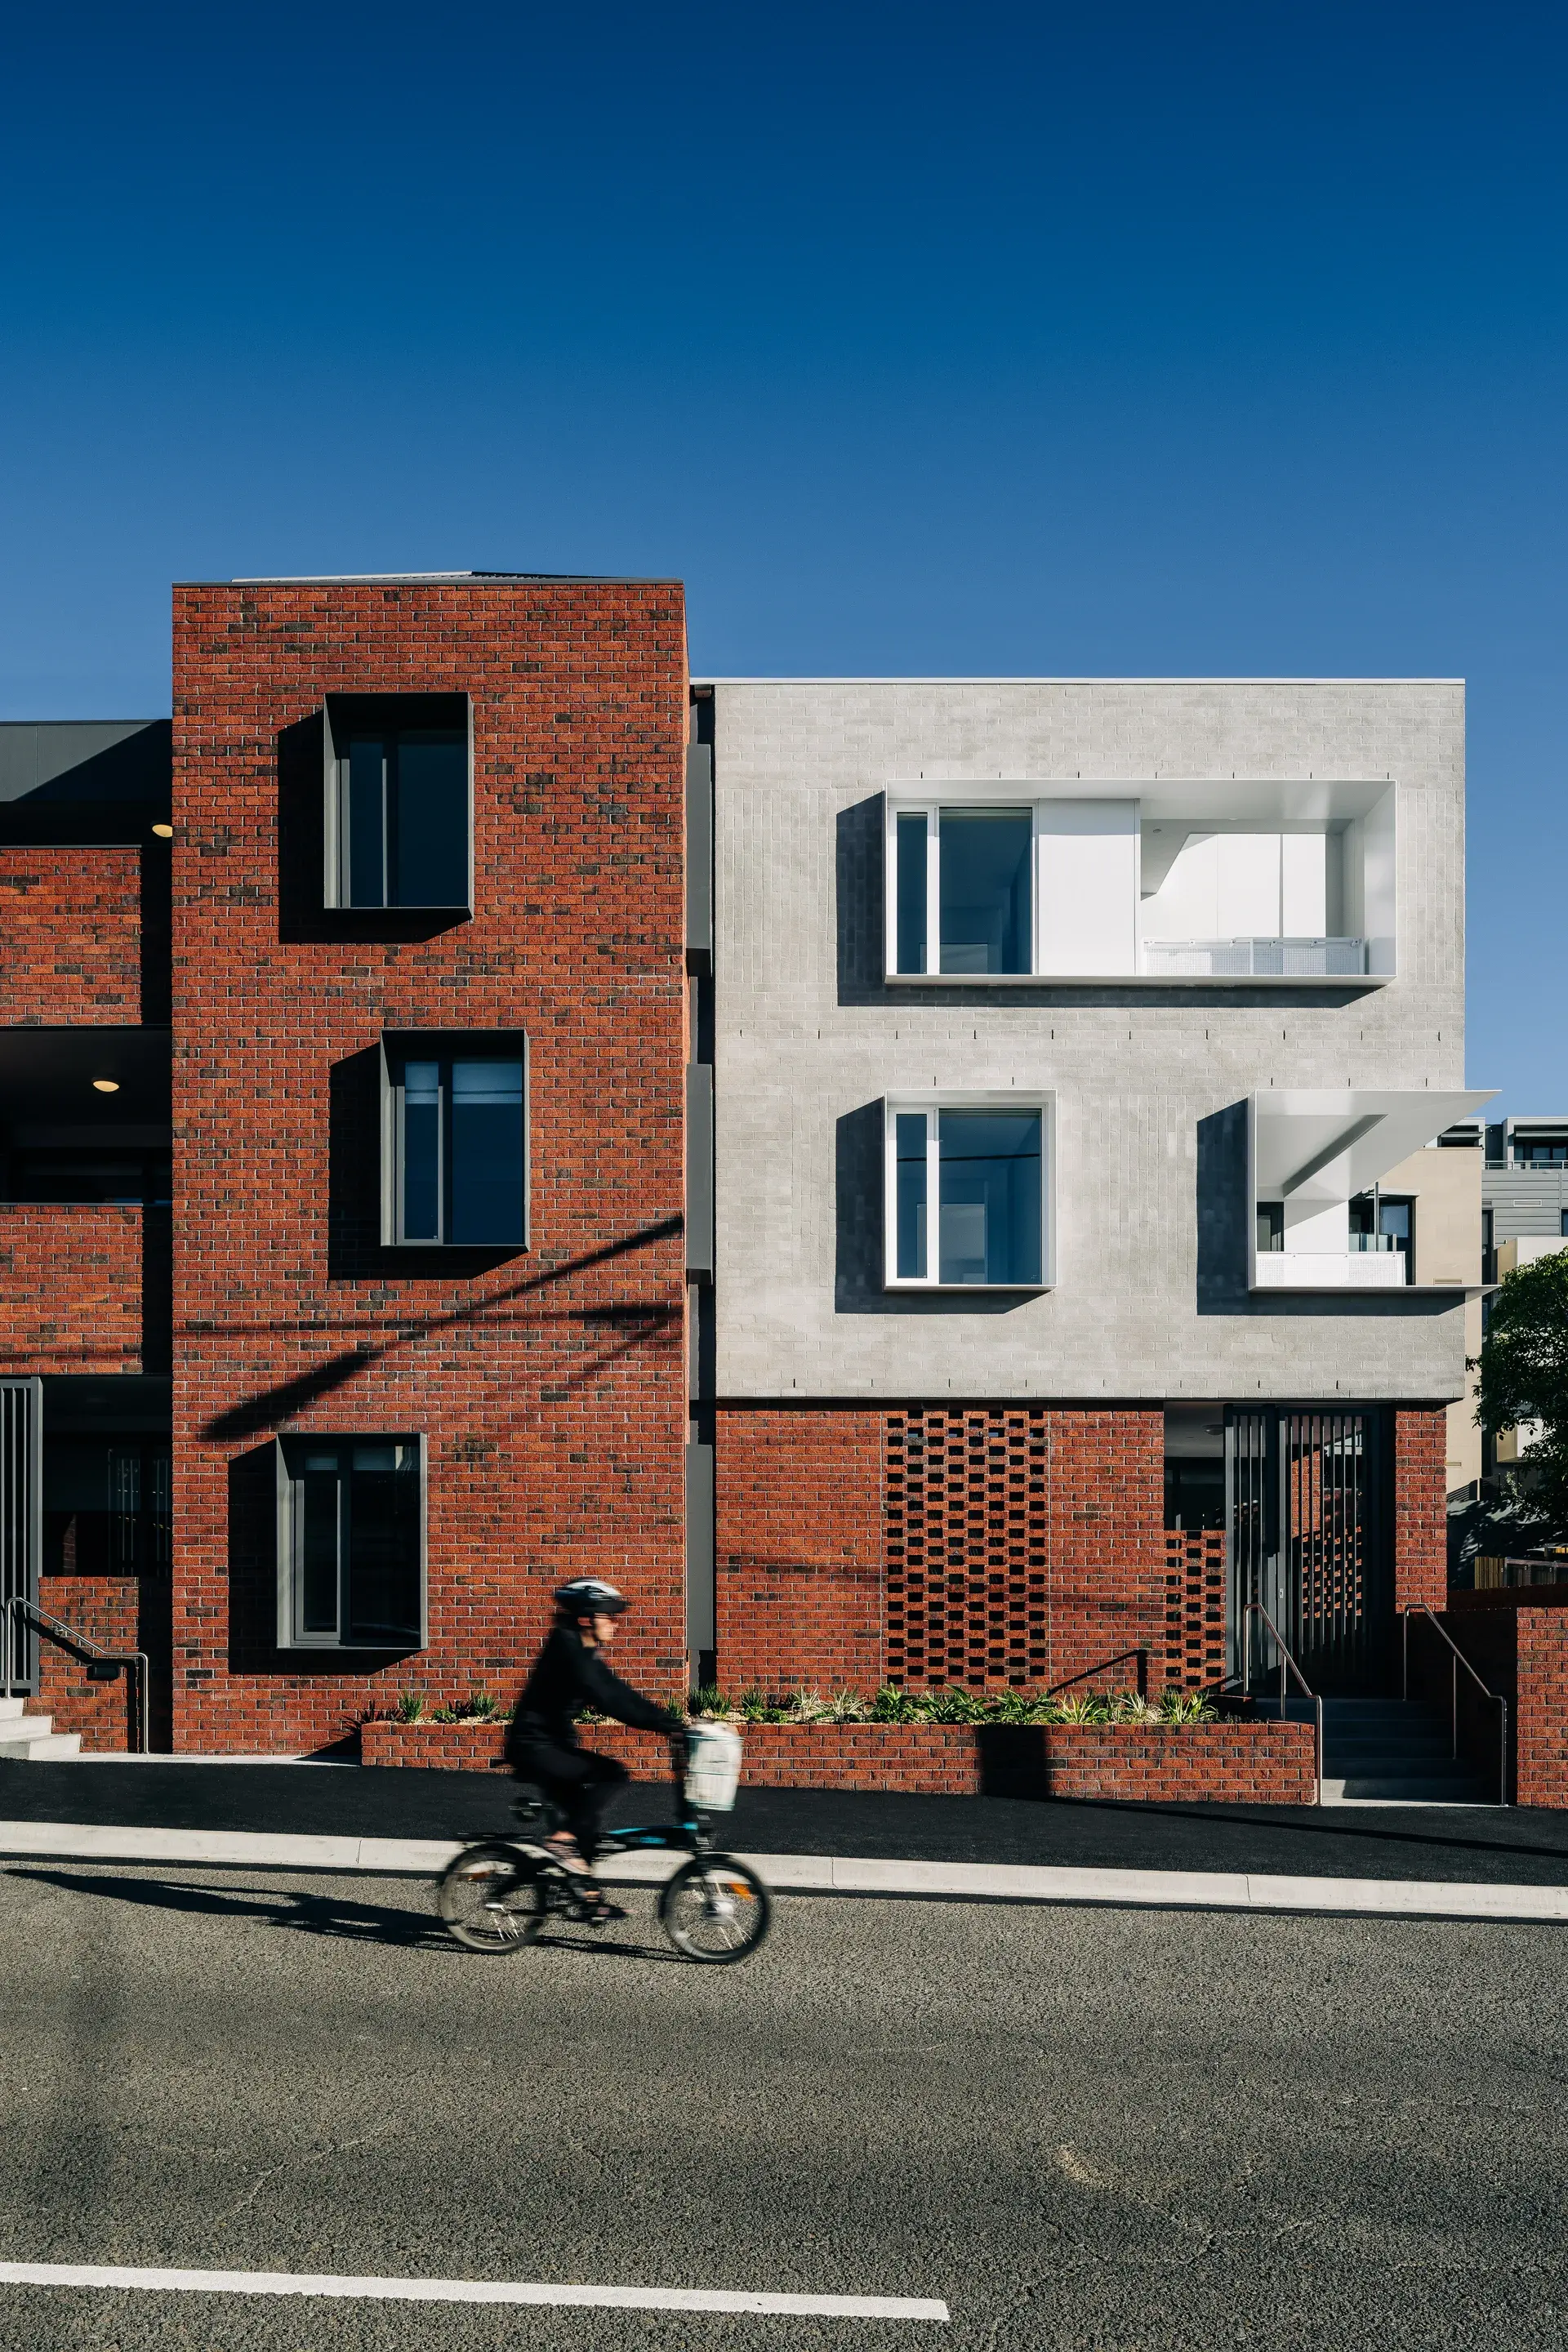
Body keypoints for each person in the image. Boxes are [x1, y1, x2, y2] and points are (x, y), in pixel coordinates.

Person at [506, 1578, 677, 1917]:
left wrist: (667, 1721)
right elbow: (610, 1697)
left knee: (586, 1814)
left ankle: (585, 1895)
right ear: (586, 1617)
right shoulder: (570, 1650)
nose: (616, 1622)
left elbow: (615, 1689)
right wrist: (667, 1725)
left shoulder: (579, 1648)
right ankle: (561, 1842)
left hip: (547, 1744)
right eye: (609, 1615)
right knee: (612, 1774)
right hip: (536, 1747)